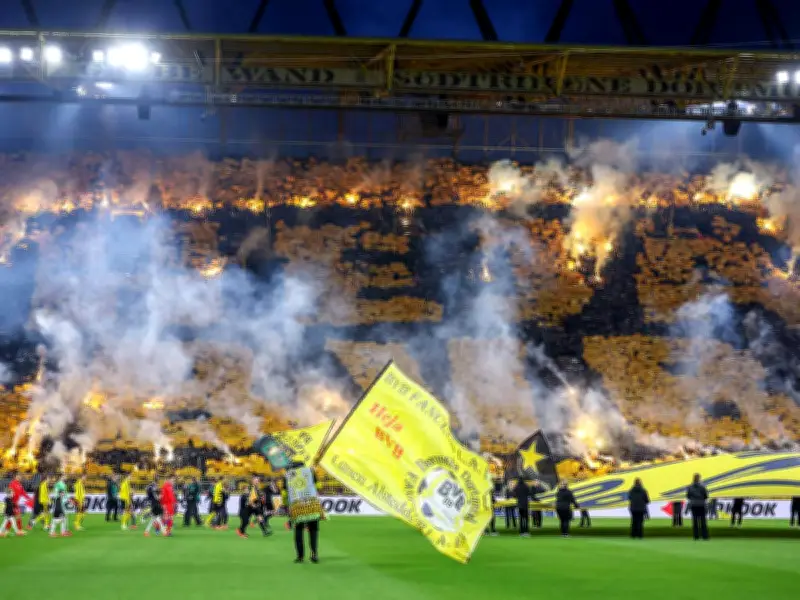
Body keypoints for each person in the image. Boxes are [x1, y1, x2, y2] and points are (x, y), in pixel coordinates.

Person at [283, 461, 323, 563]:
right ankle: (314, 554)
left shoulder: (287, 475)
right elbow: (319, 486)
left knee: (298, 530)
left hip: (297, 506)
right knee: (313, 530)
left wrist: (287, 505)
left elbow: (284, 493)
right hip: (312, 505)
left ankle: (300, 557)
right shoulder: (310, 471)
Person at [687, 473, 710, 540]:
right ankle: (705, 536)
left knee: (695, 521)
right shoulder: (702, 487)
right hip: (701, 504)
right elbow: (706, 496)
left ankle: (696, 536)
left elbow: (688, 496)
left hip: (694, 505)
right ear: (699, 478)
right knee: (703, 521)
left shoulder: (690, 487)